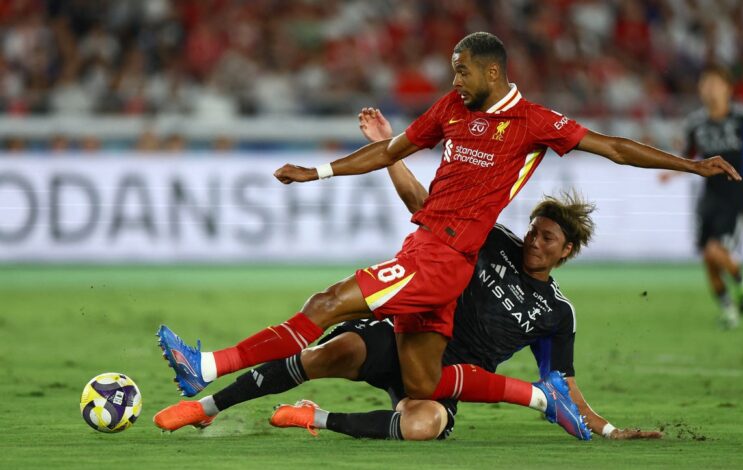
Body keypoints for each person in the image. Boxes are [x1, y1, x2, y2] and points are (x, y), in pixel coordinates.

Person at [156, 32, 739, 426]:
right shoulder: (452, 109)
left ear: (493, 71)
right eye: (453, 71)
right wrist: (319, 172)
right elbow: (392, 150)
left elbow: (612, 147)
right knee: (422, 383)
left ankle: (207, 368)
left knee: (327, 303)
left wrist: (691, 166)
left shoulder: (532, 121)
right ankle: (542, 399)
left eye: (463, 70)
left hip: (443, 259)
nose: (455, 79)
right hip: (425, 247)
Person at [152, 108, 662, 442]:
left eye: (547, 238)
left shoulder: (556, 313)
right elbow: (425, 206)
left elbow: (563, 382)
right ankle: (209, 405)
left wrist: (607, 429)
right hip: (407, 334)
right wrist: (388, 151)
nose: (534, 241)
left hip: (449, 373)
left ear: (566, 251)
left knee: (425, 424)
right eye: (534, 230)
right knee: (327, 352)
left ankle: (317, 418)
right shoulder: (494, 240)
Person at [662, 64, 743, 329]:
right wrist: (672, 173)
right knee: (708, 257)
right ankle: (728, 309)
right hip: (709, 196)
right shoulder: (695, 124)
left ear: (728, 89)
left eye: (715, 84)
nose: (710, 89)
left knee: (717, 251)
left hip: (736, 196)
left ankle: (742, 278)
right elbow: (688, 158)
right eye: (705, 84)